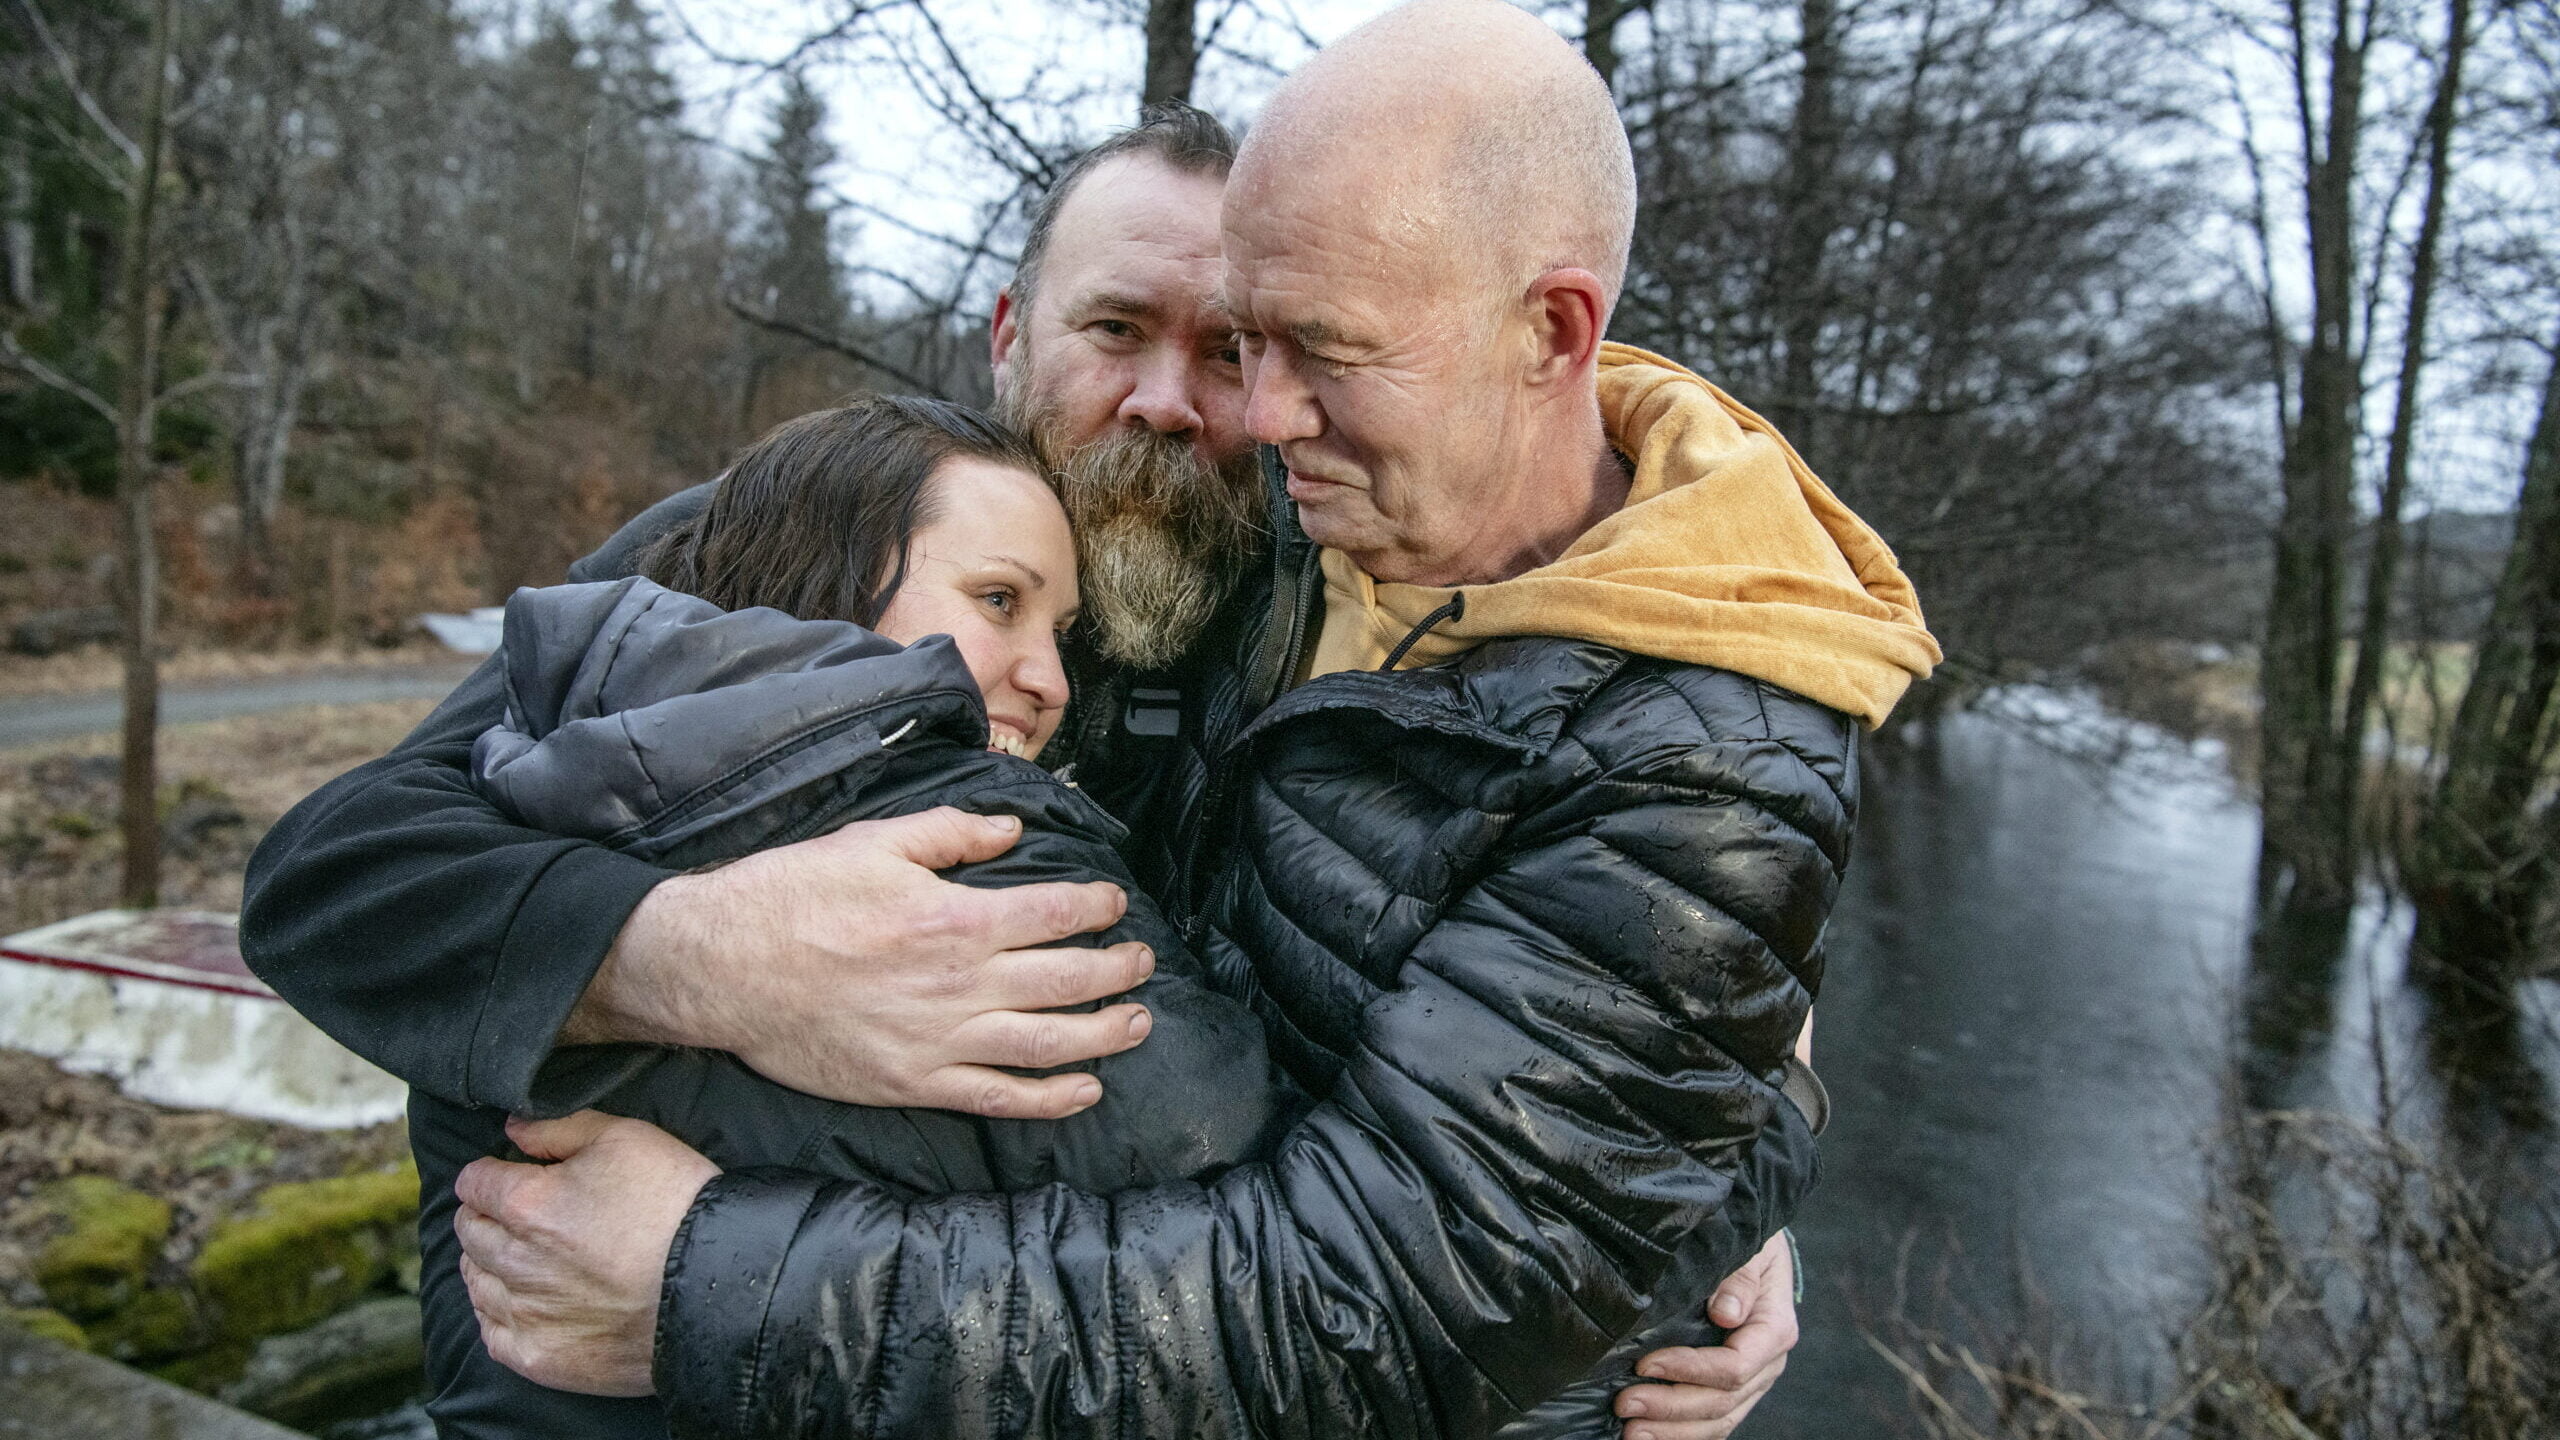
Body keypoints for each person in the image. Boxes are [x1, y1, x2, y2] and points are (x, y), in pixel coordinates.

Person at [241, 67, 1833, 1440]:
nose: (1168, 402)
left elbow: (1465, 1070)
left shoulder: (1313, 606)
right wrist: (699, 958)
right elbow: (334, 881)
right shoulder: (787, 550)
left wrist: (1664, 1192)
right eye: (1114, 329)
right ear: (1010, 333)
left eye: (1230, 350)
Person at [407, 395, 1299, 1436]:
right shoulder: (976, 844)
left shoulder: (522, 804)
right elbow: (1233, 1195)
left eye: (1060, 632)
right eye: (999, 601)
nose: (1051, 680)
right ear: (824, 574)